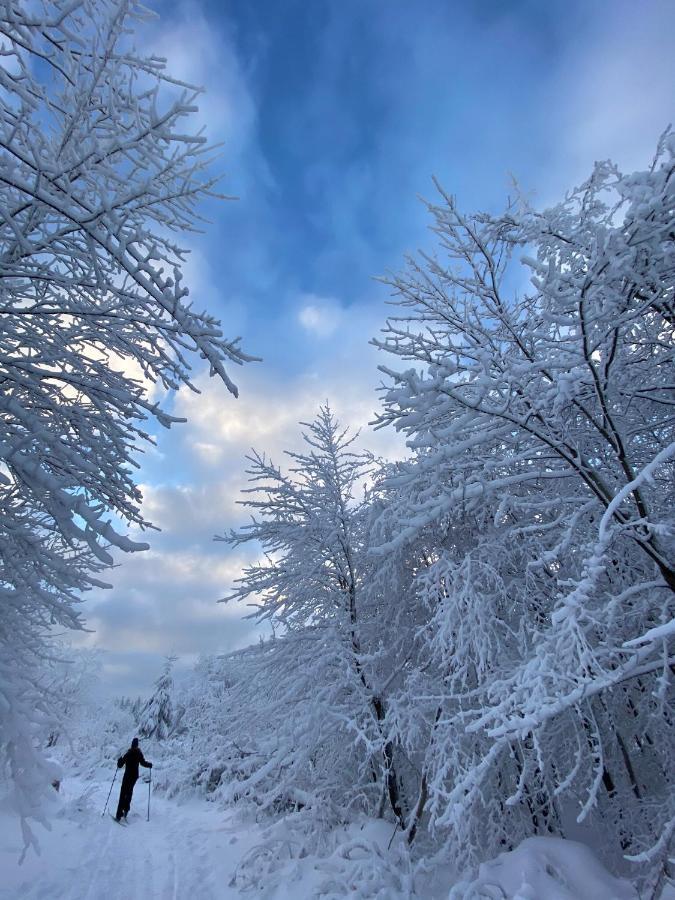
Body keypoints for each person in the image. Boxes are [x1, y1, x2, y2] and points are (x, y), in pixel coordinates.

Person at [115, 737, 152, 821]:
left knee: (123, 793)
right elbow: (143, 763)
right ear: (137, 745)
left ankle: (118, 815)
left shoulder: (128, 753)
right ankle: (126, 810)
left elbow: (120, 765)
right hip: (134, 777)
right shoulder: (139, 753)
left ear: (132, 744)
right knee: (129, 792)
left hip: (127, 776)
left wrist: (119, 760)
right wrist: (149, 765)